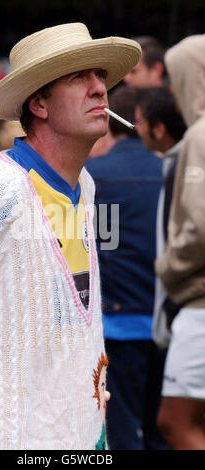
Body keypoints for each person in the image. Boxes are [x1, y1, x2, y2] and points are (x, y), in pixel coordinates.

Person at [0, 23, 141, 450]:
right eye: (79, 77)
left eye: (100, 75)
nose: (99, 87)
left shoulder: (87, 186)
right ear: (38, 103)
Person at [86, 85, 166, 450]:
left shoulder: (93, 176)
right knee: (162, 431)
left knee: (120, 432)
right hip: (170, 322)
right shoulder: (172, 170)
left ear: (109, 123)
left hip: (118, 326)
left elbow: (90, 250)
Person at [155, 35, 205, 450]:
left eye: (175, 76)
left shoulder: (201, 135)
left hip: (199, 301)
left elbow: (201, 225)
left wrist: (167, 266)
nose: (171, 88)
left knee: (175, 420)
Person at [135, 87, 187, 347]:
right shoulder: (172, 164)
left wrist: (166, 266)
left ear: (159, 130)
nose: (136, 128)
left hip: (179, 312)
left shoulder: (181, 167)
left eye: (141, 122)